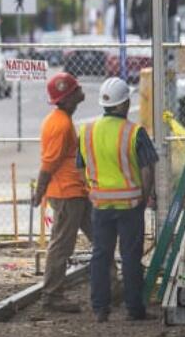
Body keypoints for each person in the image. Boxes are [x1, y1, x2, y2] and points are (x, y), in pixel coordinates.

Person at [78, 77, 157, 322]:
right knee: (131, 256)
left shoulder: (87, 131)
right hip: (130, 204)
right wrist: (144, 196)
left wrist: (92, 188)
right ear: (124, 104)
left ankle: (100, 309)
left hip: (100, 203)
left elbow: (80, 167)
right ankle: (135, 309)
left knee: (101, 255)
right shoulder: (135, 132)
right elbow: (147, 169)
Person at [32, 72, 92, 312]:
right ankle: (52, 295)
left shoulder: (61, 119)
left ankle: (113, 287)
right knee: (61, 245)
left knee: (101, 238)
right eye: (75, 89)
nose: (80, 91)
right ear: (67, 98)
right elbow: (49, 164)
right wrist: (39, 192)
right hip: (67, 194)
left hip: (76, 192)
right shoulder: (60, 124)